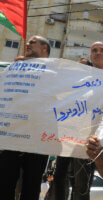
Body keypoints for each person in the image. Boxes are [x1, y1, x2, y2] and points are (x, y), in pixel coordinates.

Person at [47, 41, 103, 200]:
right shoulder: (79, 81)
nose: (97, 52)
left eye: (101, 50)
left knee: (87, 184)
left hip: (101, 139)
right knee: (67, 178)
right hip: (73, 136)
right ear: (91, 55)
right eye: (94, 50)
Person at [0, 35, 50, 200]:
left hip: (38, 141)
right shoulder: (15, 67)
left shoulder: (56, 72)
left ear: (44, 49)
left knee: (31, 188)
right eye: (28, 42)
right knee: (4, 185)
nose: (27, 44)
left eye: (32, 42)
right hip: (12, 137)